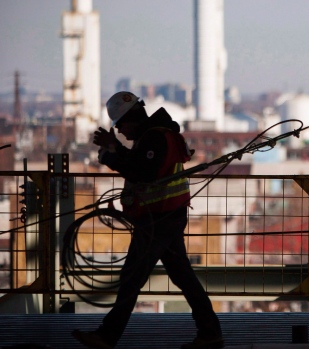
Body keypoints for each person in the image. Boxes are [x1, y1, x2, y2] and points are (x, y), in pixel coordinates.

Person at [72, 91, 224, 349]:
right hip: (166, 215)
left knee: (132, 276)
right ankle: (210, 333)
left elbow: (142, 172)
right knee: (182, 276)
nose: (120, 131)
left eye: (120, 125)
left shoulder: (155, 138)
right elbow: (140, 162)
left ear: (131, 119)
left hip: (159, 217)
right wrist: (116, 148)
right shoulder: (152, 135)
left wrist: (110, 157)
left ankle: (107, 336)